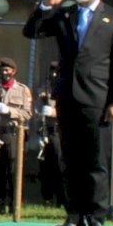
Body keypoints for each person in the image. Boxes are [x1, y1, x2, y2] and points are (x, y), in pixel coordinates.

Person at [24, 0, 113, 226]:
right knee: (69, 160)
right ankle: (73, 216)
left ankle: (96, 218)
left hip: (98, 98)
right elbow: (32, 31)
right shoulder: (65, 16)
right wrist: (48, 5)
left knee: (96, 161)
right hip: (67, 96)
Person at [0, 57, 32, 216]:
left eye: (7, 70)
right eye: (2, 70)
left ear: (14, 71)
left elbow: (28, 113)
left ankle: (14, 205)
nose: (4, 73)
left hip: (14, 133)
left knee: (13, 170)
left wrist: (9, 110)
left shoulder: (22, 90)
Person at [34, 60, 67, 207]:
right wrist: (40, 128)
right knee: (45, 167)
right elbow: (35, 111)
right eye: (51, 71)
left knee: (60, 165)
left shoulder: (67, 89)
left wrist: (56, 112)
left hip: (61, 131)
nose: (54, 74)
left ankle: (62, 198)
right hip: (46, 131)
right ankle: (47, 197)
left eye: (56, 71)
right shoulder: (43, 90)